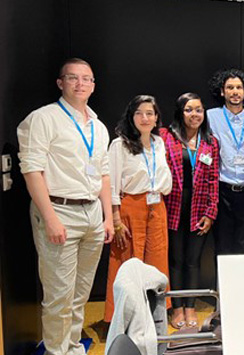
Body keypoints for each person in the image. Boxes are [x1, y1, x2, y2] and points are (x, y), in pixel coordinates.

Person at [17, 58, 114, 355]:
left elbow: (103, 174)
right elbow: (31, 170)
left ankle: (71, 346)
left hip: (92, 214)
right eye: (73, 78)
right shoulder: (43, 118)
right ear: (61, 83)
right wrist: (50, 218)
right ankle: (56, 351)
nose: (80, 83)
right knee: (59, 294)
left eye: (87, 79)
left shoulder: (97, 126)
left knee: (80, 292)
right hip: (59, 211)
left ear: (94, 85)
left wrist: (108, 217)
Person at [105, 95, 173, 323]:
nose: (145, 118)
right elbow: (112, 184)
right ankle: (121, 320)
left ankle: (155, 319)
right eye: (139, 113)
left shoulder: (159, 142)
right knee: (126, 264)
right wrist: (115, 219)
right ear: (131, 116)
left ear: (156, 118)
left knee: (157, 262)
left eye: (150, 113)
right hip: (129, 209)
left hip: (157, 208)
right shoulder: (120, 144)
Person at [160, 93, 219, 329]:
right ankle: (177, 308)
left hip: (199, 209)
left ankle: (190, 306)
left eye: (198, 110)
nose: (194, 114)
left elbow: (214, 179)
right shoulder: (165, 137)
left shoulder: (210, 142)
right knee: (175, 260)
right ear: (180, 112)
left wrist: (211, 212)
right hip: (172, 207)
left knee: (193, 261)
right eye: (189, 110)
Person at [207, 69, 244, 254]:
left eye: (239, 88)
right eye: (230, 87)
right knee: (222, 245)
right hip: (222, 190)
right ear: (222, 91)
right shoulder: (210, 117)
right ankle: (221, 283)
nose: (235, 92)